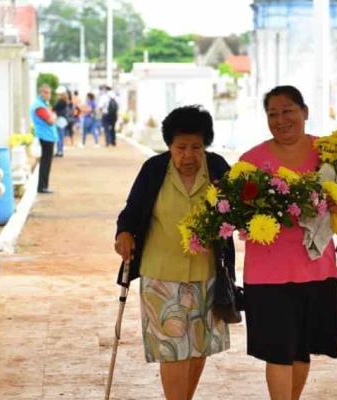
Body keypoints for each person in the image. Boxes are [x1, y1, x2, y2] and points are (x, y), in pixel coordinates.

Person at [239, 85, 337, 400]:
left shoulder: (330, 153)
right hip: (267, 274)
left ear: (304, 112)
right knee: (277, 352)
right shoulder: (251, 161)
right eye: (273, 114)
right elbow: (237, 214)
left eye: (288, 111)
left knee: (301, 350)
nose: (281, 120)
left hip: (317, 269)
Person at [114, 105, 234, 400]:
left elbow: (236, 210)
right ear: (169, 146)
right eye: (181, 147)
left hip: (207, 274)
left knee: (198, 348)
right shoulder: (154, 170)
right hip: (161, 275)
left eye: (196, 147)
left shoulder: (218, 168)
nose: (188, 155)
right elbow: (130, 213)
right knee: (173, 351)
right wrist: (124, 234)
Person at [30, 84, 58, 194]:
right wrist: (53, 116)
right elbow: (50, 120)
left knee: (46, 162)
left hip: (47, 136)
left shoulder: (42, 104)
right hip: (46, 136)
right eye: (46, 92)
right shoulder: (39, 106)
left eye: (49, 92)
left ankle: (43, 186)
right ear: (41, 93)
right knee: (46, 163)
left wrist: (52, 116)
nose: (48, 95)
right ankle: (42, 187)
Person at [53, 87, 70, 157]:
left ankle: (59, 151)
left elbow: (54, 108)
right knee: (61, 136)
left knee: (58, 136)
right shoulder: (65, 101)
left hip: (59, 119)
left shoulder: (61, 101)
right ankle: (60, 151)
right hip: (63, 120)